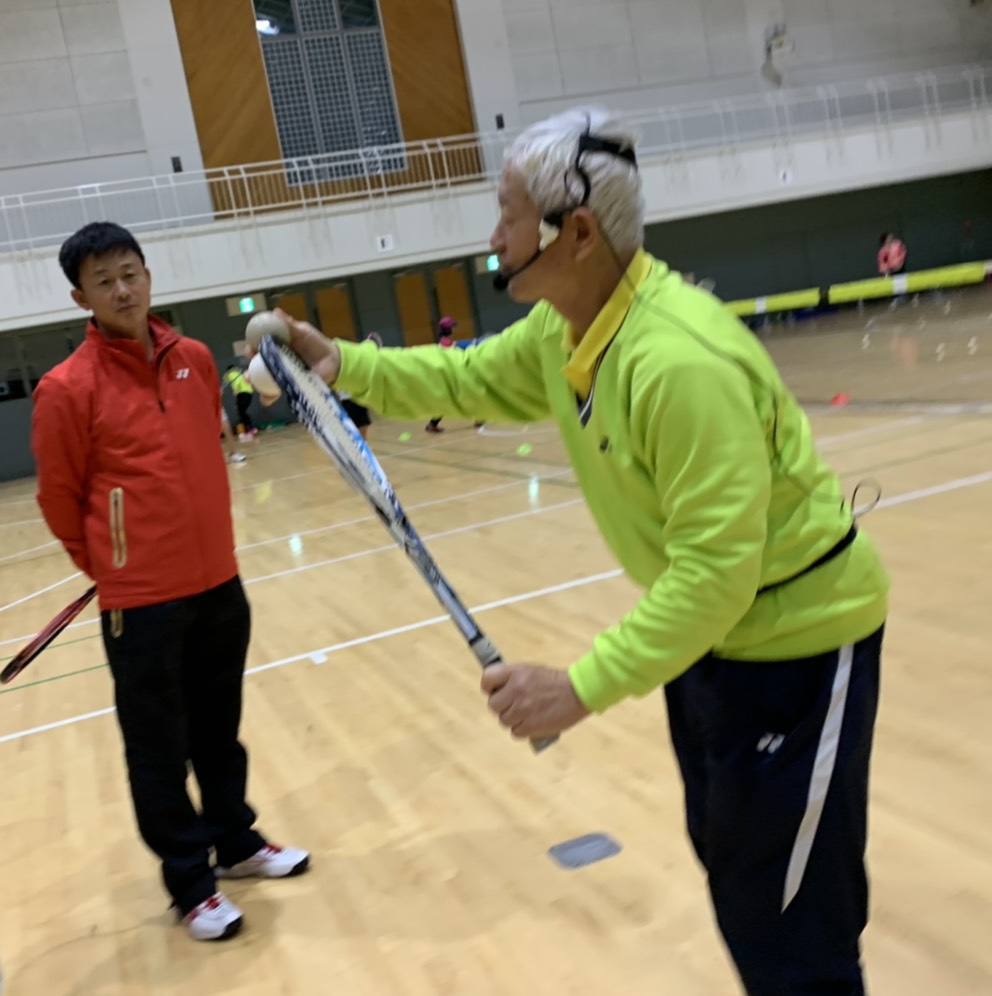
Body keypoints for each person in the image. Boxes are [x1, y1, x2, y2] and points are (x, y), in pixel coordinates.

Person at [270, 109, 889, 995]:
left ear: (580, 232)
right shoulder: (570, 328)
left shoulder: (677, 363)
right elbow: (468, 377)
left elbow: (716, 574)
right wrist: (346, 364)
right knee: (742, 875)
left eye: (509, 215)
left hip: (799, 648)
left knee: (791, 919)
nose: (495, 237)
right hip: (712, 651)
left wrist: (578, 688)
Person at [30, 222, 308, 943]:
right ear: (81, 298)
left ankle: (235, 842)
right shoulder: (65, 389)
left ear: (148, 276)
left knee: (219, 731)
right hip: (142, 601)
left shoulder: (193, 359)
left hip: (218, 579)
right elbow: (58, 498)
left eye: (131, 273)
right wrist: (113, 566)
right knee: (158, 749)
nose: (122, 289)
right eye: (104, 281)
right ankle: (190, 882)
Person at [425, 318, 457, 434]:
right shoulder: (446, 342)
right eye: (452, 327)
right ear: (448, 329)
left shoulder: (444, 341)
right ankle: (432, 424)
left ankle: (432, 424)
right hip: (446, 376)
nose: (454, 329)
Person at [222, 362, 257, 439]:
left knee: (241, 411)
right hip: (249, 393)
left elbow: (236, 381)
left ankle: (250, 429)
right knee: (242, 411)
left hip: (242, 393)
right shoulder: (239, 373)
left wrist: (236, 389)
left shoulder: (231, 374)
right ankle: (251, 428)